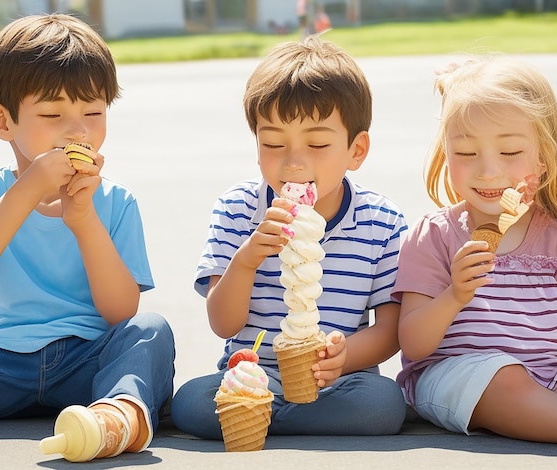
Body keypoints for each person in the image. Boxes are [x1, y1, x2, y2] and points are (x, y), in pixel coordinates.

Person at [171, 35, 407, 438]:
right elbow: (223, 324)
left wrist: (346, 357)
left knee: (382, 404)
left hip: (339, 382)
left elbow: (390, 330)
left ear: (356, 149)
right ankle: (261, 414)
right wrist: (246, 259)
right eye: (273, 143)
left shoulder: (381, 221)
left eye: (317, 143)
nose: (294, 162)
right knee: (190, 403)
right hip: (249, 376)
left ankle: (266, 424)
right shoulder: (237, 209)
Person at [0, 14, 175, 461]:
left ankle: (118, 416)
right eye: (52, 114)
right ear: (2, 122)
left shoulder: (117, 203)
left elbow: (121, 310)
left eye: (93, 113)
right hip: (1, 358)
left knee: (149, 331)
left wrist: (83, 220)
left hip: (88, 360)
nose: (78, 131)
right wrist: (25, 193)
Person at [391, 54, 557, 444]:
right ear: (446, 152)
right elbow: (414, 344)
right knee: (505, 379)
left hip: (554, 368)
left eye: (509, 153)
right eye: (467, 153)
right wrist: (455, 294)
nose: (488, 171)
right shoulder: (435, 235)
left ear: (544, 156)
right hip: (459, 374)